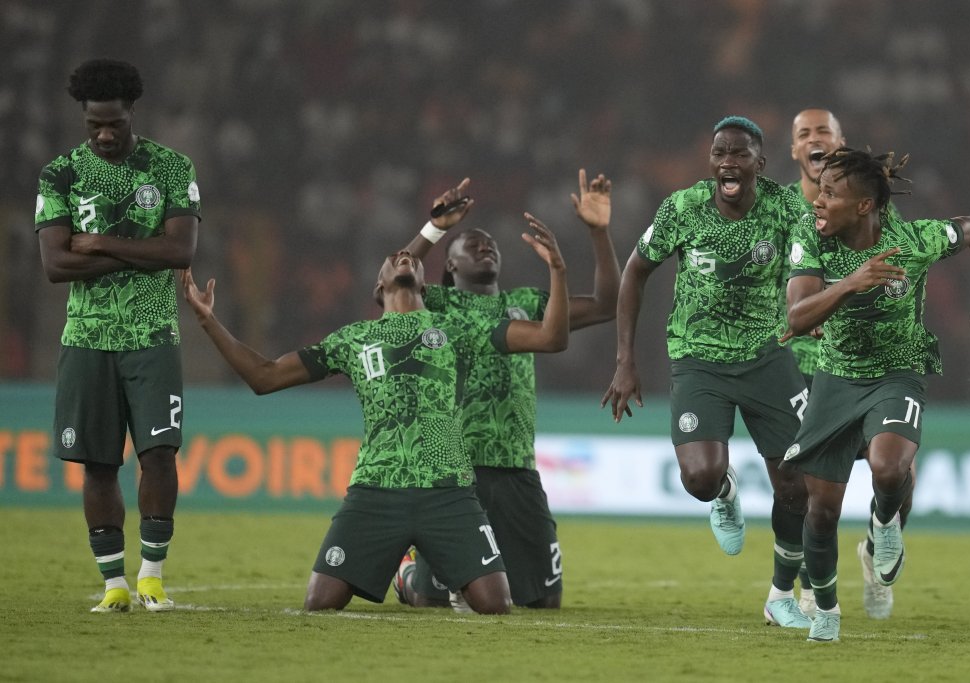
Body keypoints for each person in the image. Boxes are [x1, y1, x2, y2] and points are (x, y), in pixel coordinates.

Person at [180, 212, 571, 614]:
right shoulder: (353, 340)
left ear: (425, 283)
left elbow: (550, 337)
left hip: (449, 490)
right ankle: (406, 572)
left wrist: (557, 271)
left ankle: (414, 573)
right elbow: (265, 376)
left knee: (496, 604)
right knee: (320, 603)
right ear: (379, 285)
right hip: (376, 489)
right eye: (393, 258)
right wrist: (209, 321)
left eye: (412, 258)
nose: (405, 257)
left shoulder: (459, 329)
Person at [783, 148, 970, 642]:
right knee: (820, 511)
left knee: (889, 469)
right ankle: (826, 610)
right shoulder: (810, 235)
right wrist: (851, 283)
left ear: (863, 206)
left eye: (830, 194)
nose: (817, 201)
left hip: (897, 374)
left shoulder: (911, 241)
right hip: (835, 377)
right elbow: (797, 318)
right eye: (820, 190)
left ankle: (883, 525)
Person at [602, 116, 812, 629]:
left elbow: (815, 262)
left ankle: (781, 595)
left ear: (760, 164)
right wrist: (625, 361)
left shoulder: (787, 209)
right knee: (699, 479)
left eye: (740, 154)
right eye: (720, 153)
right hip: (698, 359)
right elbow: (635, 271)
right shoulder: (682, 208)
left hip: (768, 356)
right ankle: (723, 492)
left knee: (795, 485)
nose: (728, 162)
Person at [392, 169, 620, 610]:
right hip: (454, 464)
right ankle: (407, 573)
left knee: (544, 601)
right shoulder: (434, 303)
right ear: (451, 265)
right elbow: (388, 284)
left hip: (517, 465)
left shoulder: (528, 303)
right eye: (472, 244)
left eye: (491, 244)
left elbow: (606, 305)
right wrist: (434, 229)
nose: (486, 246)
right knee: (429, 599)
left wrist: (598, 232)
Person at [34, 59, 201, 613]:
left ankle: (151, 578)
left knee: (160, 455)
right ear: (83, 118)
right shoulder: (60, 175)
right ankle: (114, 586)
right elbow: (56, 265)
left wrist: (100, 243)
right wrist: (139, 252)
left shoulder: (171, 167)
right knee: (99, 464)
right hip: (86, 338)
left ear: (132, 112)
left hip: (152, 335)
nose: (104, 135)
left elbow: (180, 251)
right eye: (94, 125)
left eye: (114, 124)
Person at [787, 109, 912, 620]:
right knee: (811, 492)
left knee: (897, 471)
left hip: (867, 360)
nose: (814, 139)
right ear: (794, 150)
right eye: (804, 133)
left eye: (824, 131)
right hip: (802, 365)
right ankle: (808, 589)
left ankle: (877, 550)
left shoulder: (868, 206)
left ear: (840, 144)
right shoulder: (781, 208)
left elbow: (899, 264)